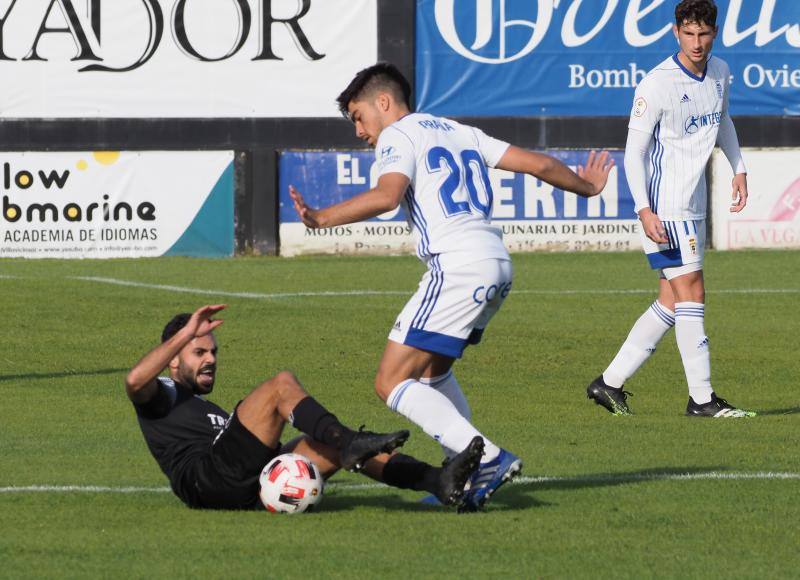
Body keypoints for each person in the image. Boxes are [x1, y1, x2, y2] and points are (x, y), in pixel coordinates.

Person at [289, 63, 614, 510]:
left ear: (384, 102)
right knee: (432, 372)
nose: (359, 131)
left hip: (458, 266)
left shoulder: (398, 135)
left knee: (390, 382)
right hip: (497, 264)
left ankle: (485, 457)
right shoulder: (461, 132)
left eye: (359, 116)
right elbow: (538, 163)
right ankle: (460, 480)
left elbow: (387, 196)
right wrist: (588, 188)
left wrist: (321, 218)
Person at [126, 304, 485, 510]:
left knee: (327, 444)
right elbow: (134, 382)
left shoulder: (202, 406)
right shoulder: (165, 395)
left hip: (242, 481)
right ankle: (349, 443)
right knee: (280, 387)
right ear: (174, 359)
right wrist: (183, 335)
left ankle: (437, 480)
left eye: (214, 352)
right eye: (198, 352)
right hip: (207, 479)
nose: (211, 359)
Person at [586, 0, 755, 418]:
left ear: (713, 33)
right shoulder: (656, 84)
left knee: (671, 300)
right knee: (693, 292)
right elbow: (633, 153)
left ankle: (608, 383)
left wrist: (739, 167)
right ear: (675, 33)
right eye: (689, 34)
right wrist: (644, 210)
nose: (696, 43)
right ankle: (702, 400)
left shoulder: (720, 72)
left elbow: (724, 120)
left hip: (691, 202)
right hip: (665, 207)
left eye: (704, 34)